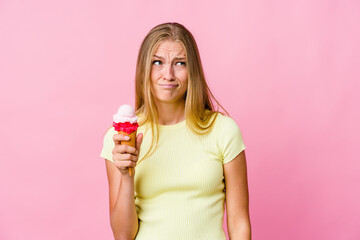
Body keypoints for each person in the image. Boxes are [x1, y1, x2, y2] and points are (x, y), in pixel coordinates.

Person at [100, 22, 251, 240]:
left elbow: (239, 224)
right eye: (157, 62)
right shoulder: (119, 141)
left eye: (180, 63)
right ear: (144, 69)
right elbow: (123, 235)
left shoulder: (223, 131)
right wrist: (126, 175)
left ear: (193, 71)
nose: (168, 74)